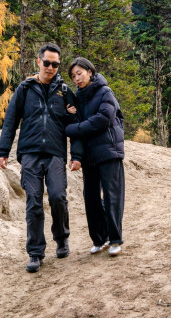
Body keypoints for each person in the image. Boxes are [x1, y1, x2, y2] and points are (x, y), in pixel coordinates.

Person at [0, 42, 83, 273]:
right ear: (39, 62)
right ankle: (35, 253)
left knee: (57, 197)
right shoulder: (25, 89)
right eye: (47, 63)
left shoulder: (65, 92)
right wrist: (3, 151)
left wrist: (76, 155)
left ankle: (62, 238)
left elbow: (74, 125)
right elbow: (10, 121)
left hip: (55, 153)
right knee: (33, 201)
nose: (51, 67)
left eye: (56, 64)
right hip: (30, 155)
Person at [64, 57, 125, 258]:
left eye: (79, 73)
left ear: (90, 72)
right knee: (90, 197)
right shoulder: (77, 99)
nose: (77, 78)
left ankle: (115, 239)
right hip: (90, 154)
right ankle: (100, 239)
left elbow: (103, 119)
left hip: (109, 150)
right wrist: (77, 156)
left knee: (111, 195)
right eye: (73, 76)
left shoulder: (105, 92)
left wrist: (75, 127)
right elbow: (78, 130)